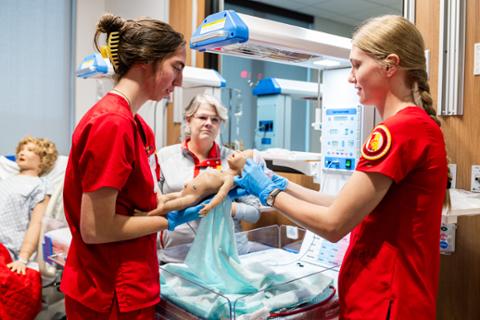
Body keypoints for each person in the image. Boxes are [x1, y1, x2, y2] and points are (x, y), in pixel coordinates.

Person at [234, 15, 448, 319]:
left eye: (357, 65)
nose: (351, 77)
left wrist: (267, 193)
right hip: (398, 298)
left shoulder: (396, 132)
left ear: (390, 65)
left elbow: (333, 225)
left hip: (384, 300)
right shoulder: (420, 127)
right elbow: (346, 203)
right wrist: (280, 183)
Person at [61, 13, 187, 319]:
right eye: (177, 67)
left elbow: (138, 205)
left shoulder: (137, 125)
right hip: (108, 292)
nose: (180, 81)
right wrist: (167, 222)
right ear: (146, 61)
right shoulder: (112, 124)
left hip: (131, 284)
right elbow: (97, 229)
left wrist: (190, 198)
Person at [157, 94, 260, 263]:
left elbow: (254, 213)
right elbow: (156, 201)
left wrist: (225, 205)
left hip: (225, 256)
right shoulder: (165, 156)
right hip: (176, 255)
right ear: (188, 120)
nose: (208, 123)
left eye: (215, 119)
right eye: (203, 117)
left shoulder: (233, 160)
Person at [0, 136, 57, 320]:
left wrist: (23, 258)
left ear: (43, 159)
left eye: (30, 150)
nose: (21, 152)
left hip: (10, 249)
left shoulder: (40, 186)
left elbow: (36, 224)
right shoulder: (5, 181)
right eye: (21, 149)